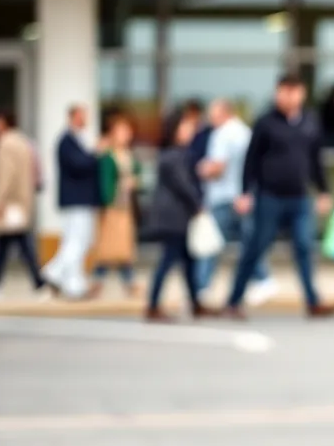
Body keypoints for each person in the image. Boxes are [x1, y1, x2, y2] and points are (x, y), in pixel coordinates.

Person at [224, 73, 334, 319]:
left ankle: (312, 301)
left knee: (304, 247)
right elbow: (251, 160)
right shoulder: (265, 122)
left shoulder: (310, 122)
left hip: (299, 197)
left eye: (294, 91)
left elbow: (316, 159)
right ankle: (233, 301)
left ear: (302, 93)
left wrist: (323, 190)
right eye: (284, 91)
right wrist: (244, 192)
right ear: (278, 93)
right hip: (269, 197)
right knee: (256, 247)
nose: (289, 96)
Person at [195, 98, 277, 304]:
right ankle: (263, 279)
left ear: (224, 113)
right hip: (243, 196)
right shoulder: (245, 132)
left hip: (224, 197)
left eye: (213, 115)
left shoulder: (222, 135)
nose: (210, 120)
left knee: (210, 243)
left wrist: (202, 168)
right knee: (248, 241)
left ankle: (201, 287)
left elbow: (218, 167)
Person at [145, 114, 215, 322]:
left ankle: (195, 303)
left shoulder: (181, 154)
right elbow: (183, 185)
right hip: (172, 218)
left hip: (180, 217)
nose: (189, 132)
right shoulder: (173, 156)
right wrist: (198, 205)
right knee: (168, 261)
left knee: (189, 262)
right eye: (185, 128)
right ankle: (152, 305)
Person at [0, 112, 45, 300]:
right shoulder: (24, 143)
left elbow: (5, 176)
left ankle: (36, 283)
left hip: (9, 203)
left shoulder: (5, 145)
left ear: (3, 124)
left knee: (18, 244)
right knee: (9, 244)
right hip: (21, 201)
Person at [42, 104, 101, 299]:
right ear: (73, 116)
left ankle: (73, 284)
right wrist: (96, 155)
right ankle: (54, 272)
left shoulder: (78, 139)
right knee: (76, 241)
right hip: (76, 200)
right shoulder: (66, 141)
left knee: (78, 242)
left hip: (80, 200)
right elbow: (80, 165)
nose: (86, 119)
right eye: (82, 115)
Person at [90, 113, 141, 298]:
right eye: (122, 131)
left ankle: (108, 282)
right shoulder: (108, 155)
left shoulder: (128, 154)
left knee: (121, 248)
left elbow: (137, 172)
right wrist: (106, 203)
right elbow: (104, 181)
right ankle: (118, 282)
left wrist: (134, 181)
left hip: (126, 206)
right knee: (109, 247)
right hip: (112, 206)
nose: (126, 134)